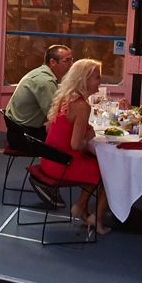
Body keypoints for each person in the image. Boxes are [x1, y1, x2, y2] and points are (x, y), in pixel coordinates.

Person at [34, 58, 109, 234]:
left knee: (97, 165)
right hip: (63, 165)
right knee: (109, 170)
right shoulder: (82, 106)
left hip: (49, 160)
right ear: (84, 80)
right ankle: (96, 217)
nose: (101, 81)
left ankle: (81, 208)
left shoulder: (65, 98)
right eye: (97, 77)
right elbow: (76, 145)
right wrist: (89, 135)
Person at [4, 44, 73, 144]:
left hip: (18, 131)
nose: (72, 64)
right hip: (25, 137)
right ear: (53, 62)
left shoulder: (41, 73)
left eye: (71, 59)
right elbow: (56, 115)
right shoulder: (45, 81)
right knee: (72, 142)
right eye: (67, 60)